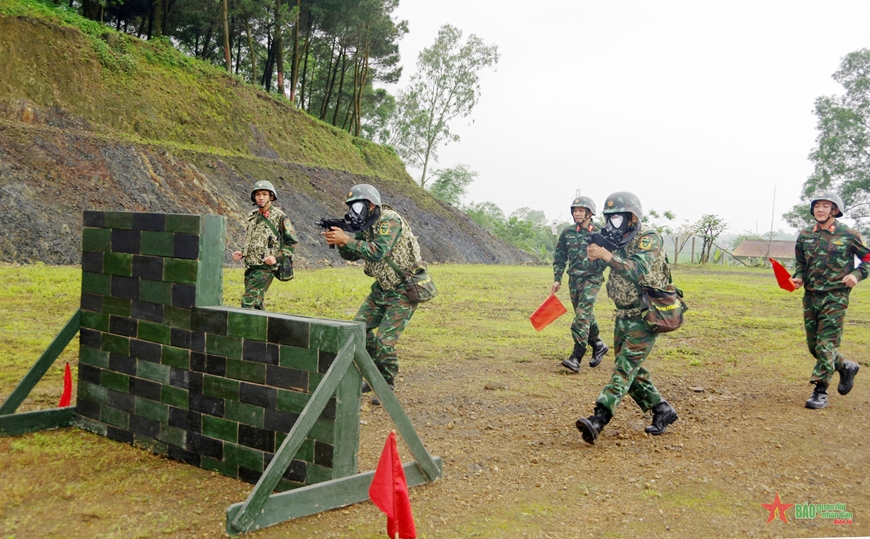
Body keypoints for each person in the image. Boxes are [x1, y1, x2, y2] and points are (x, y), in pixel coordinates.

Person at [576, 191, 678, 444]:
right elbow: (597, 270)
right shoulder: (614, 241)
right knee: (630, 368)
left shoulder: (648, 238)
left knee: (624, 368)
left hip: (648, 313)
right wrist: (594, 257)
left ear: (632, 218)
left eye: (618, 218)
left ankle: (599, 418)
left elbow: (638, 269)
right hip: (623, 314)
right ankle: (662, 410)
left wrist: (607, 255)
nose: (613, 224)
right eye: (609, 219)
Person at [321, 184, 423, 404]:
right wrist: (340, 242)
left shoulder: (389, 220)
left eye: (357, 206)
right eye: (351, 208)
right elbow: (351, 255)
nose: (353, 212)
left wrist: (347, 239)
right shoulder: (366, 225)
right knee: (358, 330)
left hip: (403, 289)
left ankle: (386, 383)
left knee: (385, 342)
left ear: (371, 204)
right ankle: (374, 375)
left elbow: (377, 252)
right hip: (382, 288)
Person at [790, 191, 866, 409]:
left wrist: (856, 275)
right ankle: (845, 366)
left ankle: (820, 390)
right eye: (817, 206)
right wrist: (798, 278)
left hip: (836, 296)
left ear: (834, 210)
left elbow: (867, 258)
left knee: (826, 344)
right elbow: (800, 263)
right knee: (814, 346)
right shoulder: (805, 234)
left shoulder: (849, 234)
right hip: (811, 296)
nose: (820, 210)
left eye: (825, 206)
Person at [551, 195, 609, 372]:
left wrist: (597, 267)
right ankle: (598, 344)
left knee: (581, 316)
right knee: (584, 314)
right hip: (574, 279)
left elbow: (608, 256)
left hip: (592, 279)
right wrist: (557, 278)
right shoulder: (568, 232)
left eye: (581, 210)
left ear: (589, 213)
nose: (577, 213)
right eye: (575, 210)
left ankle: (577, 356)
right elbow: (560, 256)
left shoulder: (600, 232)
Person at [232, 180, 298, 310]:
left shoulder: (280, 217)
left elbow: (292, 242)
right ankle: (262, 329)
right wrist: (242, 252)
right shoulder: (252, 216)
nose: (261, 198)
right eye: (258, 194)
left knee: (247, 302)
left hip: (265, 268)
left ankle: (245, 330)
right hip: (251, 265)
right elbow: (252, 239)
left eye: (264, 194)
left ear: (271, 196)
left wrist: (276, 257)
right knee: (257, 304)